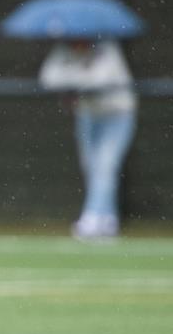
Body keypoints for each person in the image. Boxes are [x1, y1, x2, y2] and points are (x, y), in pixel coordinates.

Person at [39, 39, 138, 240]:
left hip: (117, 115)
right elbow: (48, 77)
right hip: (88, 115)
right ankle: (108, 220)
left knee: (105, 165)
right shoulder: (63, 50)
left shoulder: (107, 49)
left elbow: (101, 79)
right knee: (91, 166)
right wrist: (77, 78)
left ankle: (91, 218)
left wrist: (74, 78)